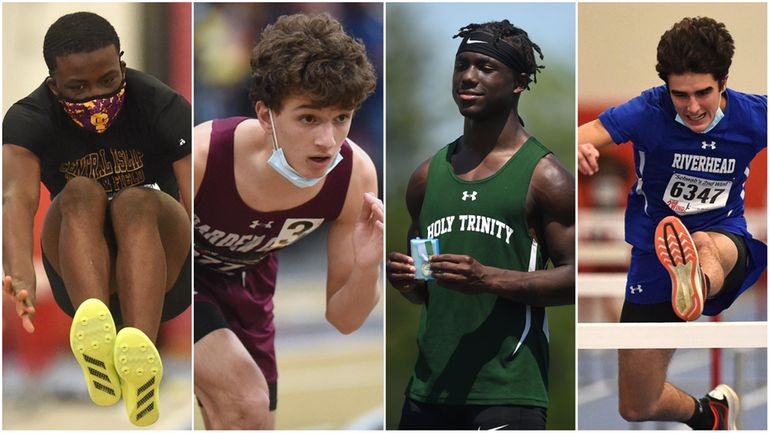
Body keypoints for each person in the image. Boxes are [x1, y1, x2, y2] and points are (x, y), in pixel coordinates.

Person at [192, 13, 382, 429]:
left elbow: (344, 320)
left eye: (342, 118)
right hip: (180, 275)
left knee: (252, 421)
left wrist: (368, 267)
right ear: (265, 115)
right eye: (308, 118)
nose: (327, 141)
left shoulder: (356, 177)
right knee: (245, 400)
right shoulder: (203, 157)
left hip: (248, 290)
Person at [2, 12, 191, 427]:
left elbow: (194, 194)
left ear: (122, 66)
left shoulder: (162, 103)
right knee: (80, 191)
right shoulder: (28, 118)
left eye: (108, 80)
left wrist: (214, 273)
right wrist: (20, 276)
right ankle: (100, 343)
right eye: (78, 88)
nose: (96, 97)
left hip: (163, 271)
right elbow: (15, 197)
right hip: (84, 271)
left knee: (133, 202)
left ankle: (141, 353)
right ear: (54, 85)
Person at [578, 17, 766, 430]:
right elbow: (583, 133)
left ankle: (696, 281)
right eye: (680, 95)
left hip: (724, 241)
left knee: (703, 242)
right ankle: (710, 414)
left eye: (704, 93)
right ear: (666, 87)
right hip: (653, 255)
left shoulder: (755, 116)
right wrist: (579, 148)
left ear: (724, 81)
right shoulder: (648, 111)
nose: (694, 107)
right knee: (636, 404)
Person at [386, 20, 575, 430]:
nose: (468, 77)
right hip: (427, 393)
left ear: (519, 82)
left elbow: (576, 280)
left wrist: (488, 278)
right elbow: (422, 290)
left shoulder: (546, 177)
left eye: (485, 67)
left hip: (508, 392)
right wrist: (405, 279)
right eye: (462, 65)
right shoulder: (425, 176)